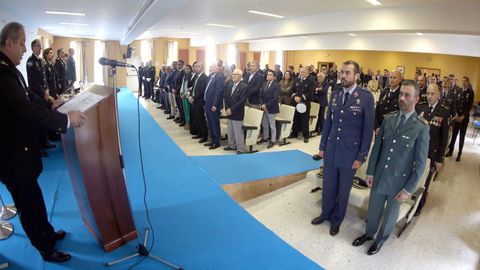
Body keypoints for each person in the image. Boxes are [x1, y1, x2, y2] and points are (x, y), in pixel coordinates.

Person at [0, 22, 87, 262]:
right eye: (21, 43)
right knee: (28, 204)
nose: (24, 49)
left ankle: (46, 232)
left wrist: (51, 104)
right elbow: (25, 111)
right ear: (9, 43)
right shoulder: (2, 73)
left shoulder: (10, 69)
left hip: (20, 152)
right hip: (12, 155)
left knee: (35, 198)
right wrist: (65, 120)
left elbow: (28, 98)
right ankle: (45, 248)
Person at [352, 80, 429, 255]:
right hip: (380, 175)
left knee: (389, 216)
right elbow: (377, 148)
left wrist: (409, 189)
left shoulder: (421, 127)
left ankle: (380, 240)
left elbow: (420, 163)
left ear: (416, 99)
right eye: (401, 94)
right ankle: (369, 234)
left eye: (407, 95)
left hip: (399, 182)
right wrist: (370, 172)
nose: (401, 98)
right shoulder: (388, 119)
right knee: (373, 210)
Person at [311, 60, 375, 236]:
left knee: (343, 189)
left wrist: (361, 157)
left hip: (350, 153)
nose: (343, 76)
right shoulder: (336, 94)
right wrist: (322, 146)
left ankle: (337, 220)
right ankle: (325, 213)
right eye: (342, 72)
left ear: (356, 75)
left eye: (348, 73)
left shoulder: (366, 97)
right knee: (329, 185)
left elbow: (367, 131)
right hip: (331, 149)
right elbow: (329, 123)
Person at [415, 83, 449, 216]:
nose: (429, 96)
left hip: (431, 152)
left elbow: (444, 138)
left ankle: (419, 205)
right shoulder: (420, 107)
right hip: (417, 149)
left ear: (438, 94)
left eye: (432, 93)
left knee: (425, 180)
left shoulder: (443, 111)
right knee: (415, 176)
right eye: (428, 93)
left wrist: (440, 159)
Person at [26, 39, 56, 156]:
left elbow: (44, 78)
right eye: (38, 46)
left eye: (41, 46)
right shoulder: (31, 62)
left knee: (44, 118)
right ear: (33, 47)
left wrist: (47, 89)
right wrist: (44, 92)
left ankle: (45, 142)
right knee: (38, 121)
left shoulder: (41, 61)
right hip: (36, 96)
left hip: (44, 94)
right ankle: (39, 147)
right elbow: (33, 82)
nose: (40, 48)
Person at [446, 76, 474, 161]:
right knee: (454, 135)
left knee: (462, 136)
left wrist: (463, 116)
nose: (463, 83)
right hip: (457, 117)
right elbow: (456, 103)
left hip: (464, 119)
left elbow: (469, 106)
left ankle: (459, 154)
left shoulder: (471, 92)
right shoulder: (459, 91)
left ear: (468, 82)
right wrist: (456, 114)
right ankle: (450, 151)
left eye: (465, 81)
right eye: (462, 81)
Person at [223, 69, 248, 154]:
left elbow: (242, 101)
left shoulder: (244, 86)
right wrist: (227, 108)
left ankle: (240, 148)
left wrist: (231, 109)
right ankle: (232, 145)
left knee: (238, 131)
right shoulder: (230, 84)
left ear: (240, 76)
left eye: (236, 74)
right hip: (229, 111)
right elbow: (226, 97)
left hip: (237, 112)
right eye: (233, 74)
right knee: (230, 130)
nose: (233, 76)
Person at [289, 67, 314, 143]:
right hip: (296, 103)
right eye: (300, 72)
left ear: (307, 73)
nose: (301, 73)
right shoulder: (296, 80)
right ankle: (294, 133)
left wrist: (301, 98)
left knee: (304, 120)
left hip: (304, 104)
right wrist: (295, 96)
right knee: (295, 119)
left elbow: (310, 93)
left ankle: (306, 136)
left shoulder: (310, 81)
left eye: (303, 72)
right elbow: (292, 90)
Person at [203, 63, 225, 149]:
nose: (210, 68)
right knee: (210, 122)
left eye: (211, 67)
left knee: (214, 123)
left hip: (213, 105)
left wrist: (215, 105)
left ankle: (216, 142)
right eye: (209, 67)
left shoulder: (219, 77)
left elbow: (218, 92)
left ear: (217, 68)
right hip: (208, 103)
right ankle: (212, 139)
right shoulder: (210, 76)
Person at [258, 70, 280, 148]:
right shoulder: (264, 84)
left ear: (274, 77)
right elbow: (260, 96)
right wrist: (262, 104)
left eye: (270, 75)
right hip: (263, 108)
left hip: (271, 108)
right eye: (268, 74)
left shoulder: (276, 85)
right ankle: (265, 137)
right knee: (264, 124)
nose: (268, 76)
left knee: (272, 125)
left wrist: (266, 106)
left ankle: (273, 140)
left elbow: (275, 98)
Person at [189, 62, 209, 143]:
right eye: (195, 66)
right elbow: (193, 88)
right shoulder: (196, 76)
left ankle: (204, 136)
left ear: (202, 68)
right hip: (194, 100)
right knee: (196, 118)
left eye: (198, 66)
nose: (196, 68)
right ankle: (199, 133)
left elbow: (202, 91)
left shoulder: (204, 77)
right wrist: (190, 95)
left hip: (199, 101)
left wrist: (193, 97)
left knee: (201, 119)